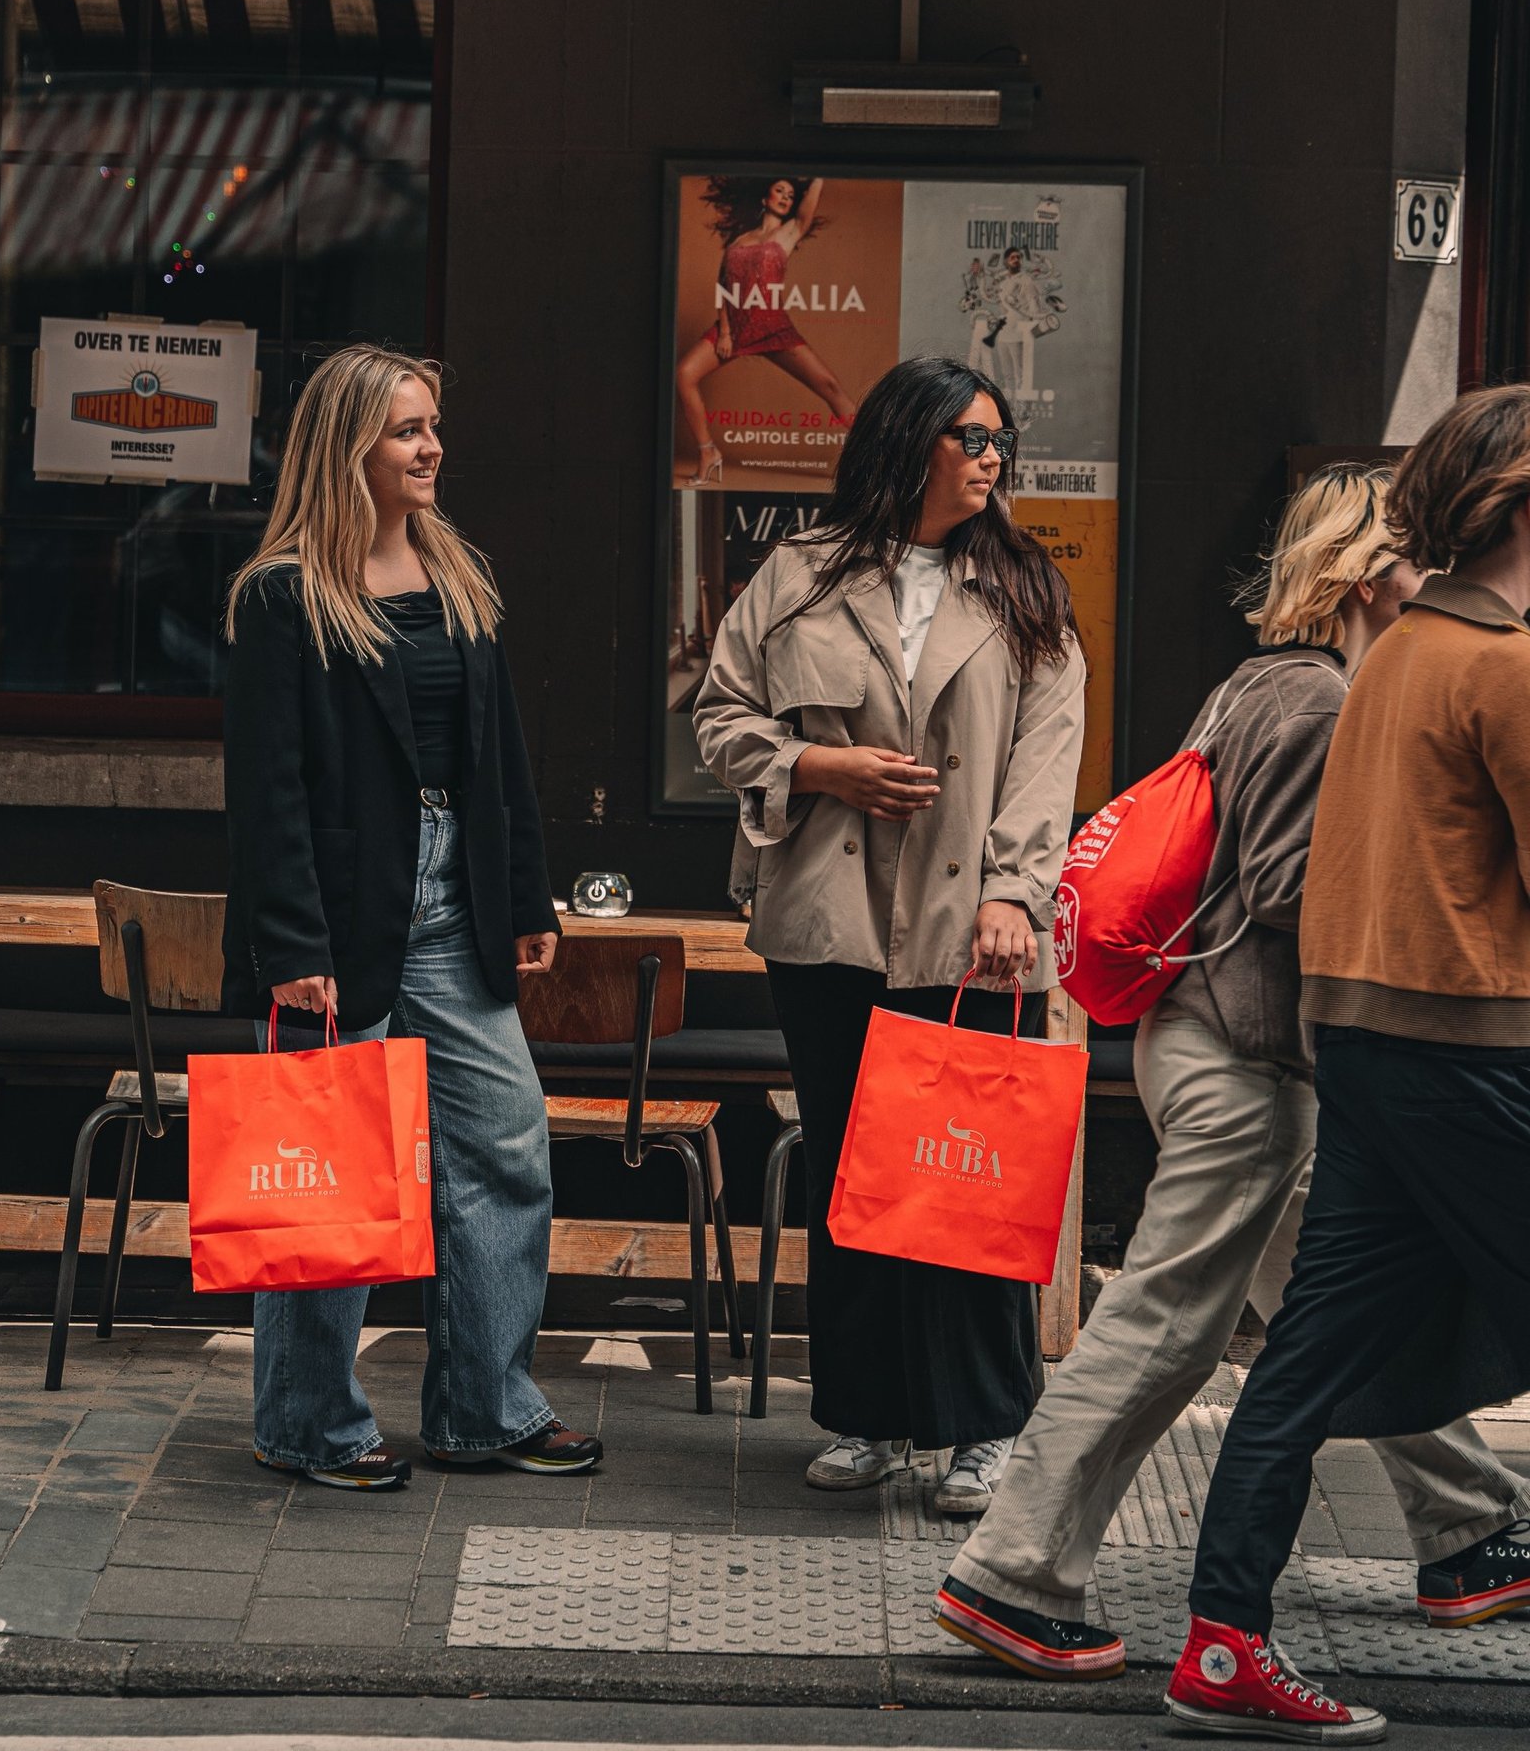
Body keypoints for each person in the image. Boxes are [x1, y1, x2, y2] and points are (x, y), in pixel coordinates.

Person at [934, 463, 1530, 1684]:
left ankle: (1470, 1527)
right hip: (1253, 1056)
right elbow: (1296, 893)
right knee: (1168, 1321)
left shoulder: (1263, 683)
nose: (1432, 582)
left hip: (1224, 1044)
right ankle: (1016, 1570)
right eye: (1415, 561)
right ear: (1370, 581)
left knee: (1341, 1305)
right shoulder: (1317, 703)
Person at [1164, 387, 1530, 1744]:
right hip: (1474, 1050)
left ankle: (1220, 1647)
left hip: (1364, 1047)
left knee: (1302, 1362)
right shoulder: (1501, 666)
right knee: (1314, 1356)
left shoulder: (1389, 662)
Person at [693, 353, 1085, 1511]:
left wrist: (1016, 893)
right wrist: (819, 764)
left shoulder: (1027, 591)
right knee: (857, 1176)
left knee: (969, 1181)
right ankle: (867, 1415)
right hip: (830, 924)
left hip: (976, 933)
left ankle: (982, 1427)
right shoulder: (803, 576)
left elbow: (1046, 760)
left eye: (1000, 441)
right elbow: (721, 714)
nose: (992, 458)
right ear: (907, 442)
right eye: (971, 437)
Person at [222, 345, 601, 1492]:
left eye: (433, 425)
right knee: (329, 1173)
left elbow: (499, 759)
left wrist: (524, 891)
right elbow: (268, 789)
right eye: (405, 431)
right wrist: (293, 949)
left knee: (506, 1145)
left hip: (459, 903)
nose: (430, 447)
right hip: (344, 919)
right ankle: (310, 1425)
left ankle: (485, 1408)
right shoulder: (284, 595)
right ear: (350, 447)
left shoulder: (458, 577)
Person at [674, 177, 859, 486]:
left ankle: (877, 456)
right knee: (683, 375)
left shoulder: (790, 232)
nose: (786, 197)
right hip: (733, 328)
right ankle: (708, 453)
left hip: (772, 326)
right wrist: (725, 332)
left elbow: (807, 205)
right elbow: (724, 287)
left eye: (790, 194)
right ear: (764, 198)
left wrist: (818, 173)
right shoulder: (738, 241)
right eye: (780, 191)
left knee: (829, 386)